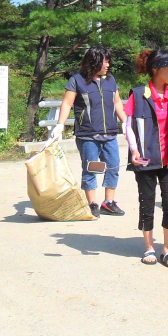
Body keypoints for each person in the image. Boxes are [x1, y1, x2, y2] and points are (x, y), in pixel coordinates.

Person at [124, 48, 168, 267]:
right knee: (146, 203)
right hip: (145, 158)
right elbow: (128, 125)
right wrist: (134, 150)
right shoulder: (138, 94)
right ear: (155, 69)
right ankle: (148, 248)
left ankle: (167, 249)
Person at [53, 45, 128, 218]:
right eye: (105, 61)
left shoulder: (111, 80)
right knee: (92, 168)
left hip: (109, 133)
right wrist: (60, 124)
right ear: (94, 61)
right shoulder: (77, 80)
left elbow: (117, 103)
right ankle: (92, 203)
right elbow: (67, 103)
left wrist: (125, 121)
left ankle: (108, 202)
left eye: (109, 61)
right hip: (88, 134)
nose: (108, 65)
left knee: (113, 166)